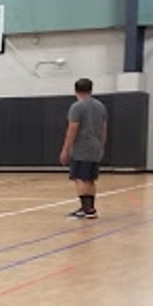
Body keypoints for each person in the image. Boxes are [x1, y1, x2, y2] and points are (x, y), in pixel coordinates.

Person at [59, 78, 108, 220]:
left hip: (82, 147)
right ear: (91, 89)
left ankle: (86, 209)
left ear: (75, 90)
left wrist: (65, 149)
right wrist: (102, 145)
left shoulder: (77, 107)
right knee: (90, 179)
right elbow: (103, 128)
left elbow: (72, 128)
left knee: (79, 178)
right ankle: (90, 208)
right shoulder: (100, 106)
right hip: (96, 146)